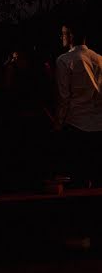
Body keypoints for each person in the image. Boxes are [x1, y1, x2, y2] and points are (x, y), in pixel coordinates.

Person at [54, 20, 102, 186]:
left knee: (78, 180)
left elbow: (63, 97)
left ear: (71, 35)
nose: (61, 37)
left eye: (63, 34)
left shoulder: (64, 60)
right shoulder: (99, 59)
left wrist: (58, 123)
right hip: (98, 124)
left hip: (76, 124)